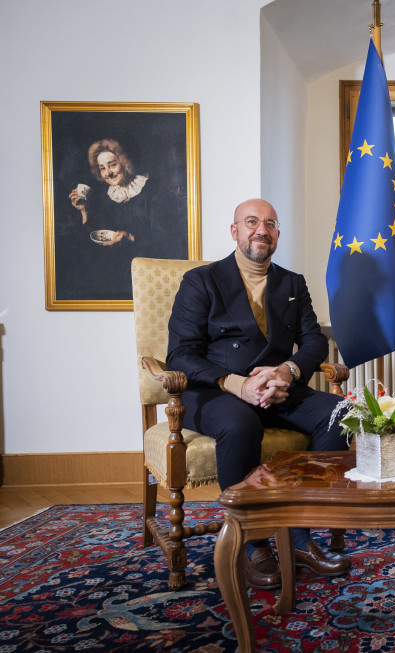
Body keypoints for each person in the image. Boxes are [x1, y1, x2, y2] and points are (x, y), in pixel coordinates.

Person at [167, 198, 350, 589]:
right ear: (235, 231)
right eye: (251, 222)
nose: (260, 230)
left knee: (340, 413)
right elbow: (180, 354)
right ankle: (253, 543)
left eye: (269, 223)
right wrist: (239, 385)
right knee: (240, 424)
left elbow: (314, 342)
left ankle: (299, 537)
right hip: (215, 392)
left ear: (278, 234)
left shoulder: (292, 282)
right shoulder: (201, 281)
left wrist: (287, 371)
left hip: (279, 389)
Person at [63, 137, 186, 300]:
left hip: (146, 274)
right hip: (112, 273)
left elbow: (166, 241)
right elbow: (93, 241)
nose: (108, 173)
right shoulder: (105, 196)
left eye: (112, 164)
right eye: (102, 168)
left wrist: (131, 237)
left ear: (125, 161)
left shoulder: (153, 190)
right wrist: (83, 212)